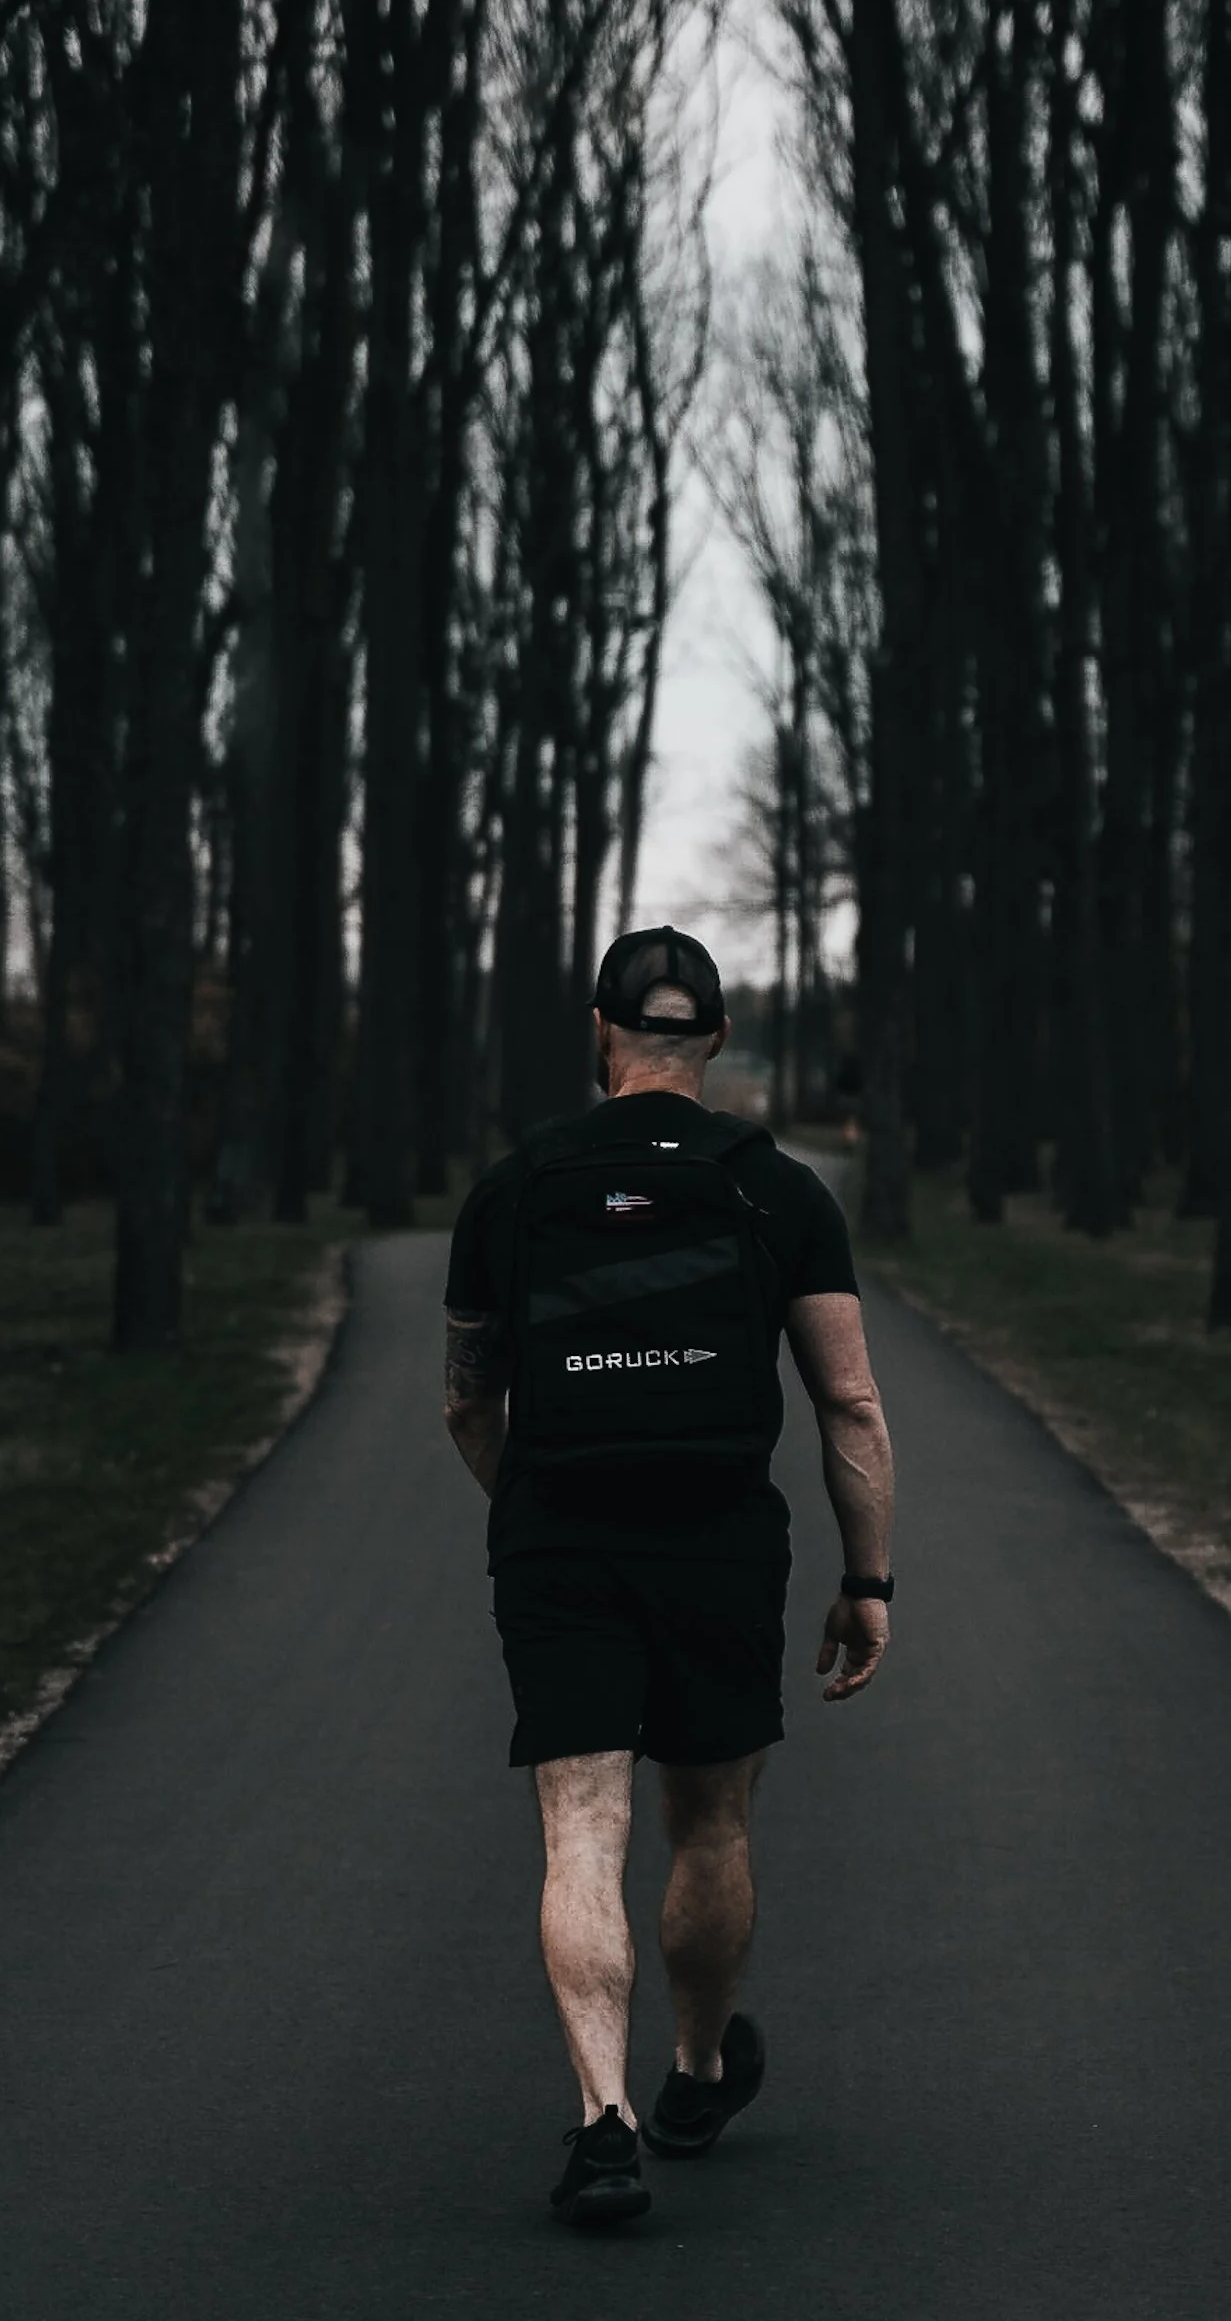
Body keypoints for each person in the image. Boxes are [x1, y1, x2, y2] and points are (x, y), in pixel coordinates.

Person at [442, 924, 897, 2228]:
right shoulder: (780, 1189)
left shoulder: (516, 1187)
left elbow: (470, 1405)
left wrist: (531, 1507)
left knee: (583, 1826)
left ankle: (603, 2124)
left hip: (562, 1536)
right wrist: (869, 1584)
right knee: (711, 1823)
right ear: (716, 1039)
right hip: (718, 1537)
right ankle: (696, 2075)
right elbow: (850, 1405)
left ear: (602, 1033)